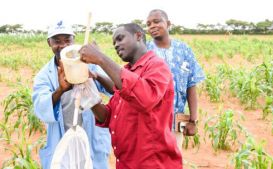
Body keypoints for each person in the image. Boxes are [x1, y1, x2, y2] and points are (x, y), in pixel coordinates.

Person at [79, 23, 182, 169]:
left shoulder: (157, 66)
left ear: (138, 36)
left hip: (152, 163)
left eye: (120, 39)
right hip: (126, 162)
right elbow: (108, 116)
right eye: (114, 43)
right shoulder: (127, 72)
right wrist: (90, 97)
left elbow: (145, 98)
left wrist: (100, 58)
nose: (116, 45)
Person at [32, 20, 111, 169]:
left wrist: (97, 69)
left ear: (74, 40)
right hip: (62, 139)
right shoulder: (44, 75)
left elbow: (113, 89)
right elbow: (40, 108)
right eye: (57, 41)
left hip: (91, 137)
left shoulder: (89, 64)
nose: (63, 45)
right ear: (49, 43)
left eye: (67, 40)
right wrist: (60, 90)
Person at [146, 9, 205, 150]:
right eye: (148, 24)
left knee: (172, 161)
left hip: (175, 122)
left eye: (156, 21)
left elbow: (191, 85)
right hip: (149, 123)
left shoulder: (184, 50)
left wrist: (193, 120)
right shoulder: (144, 50)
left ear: (168, 23)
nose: (152, 26)